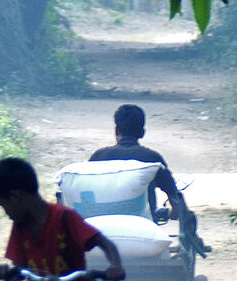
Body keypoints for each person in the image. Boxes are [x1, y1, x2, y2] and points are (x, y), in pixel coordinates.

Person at [87, 103, 207, 252]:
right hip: (143, 230)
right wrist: (175, 209)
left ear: (117, 130)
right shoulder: (152, 158)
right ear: (142, 133)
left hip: (100, 232)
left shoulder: (98, 157)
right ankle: (195, 241)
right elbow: (174, 196)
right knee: (187, 213)